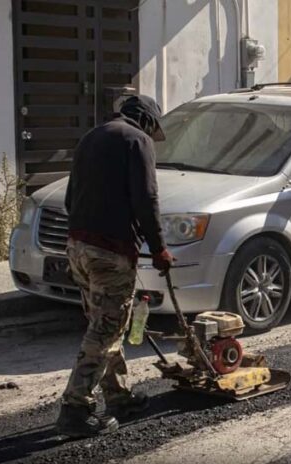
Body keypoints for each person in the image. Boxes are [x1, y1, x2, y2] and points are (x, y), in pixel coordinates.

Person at [56, 95, 175, 438]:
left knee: (106, 324)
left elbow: (69, 197)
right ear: (148, 121)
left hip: (78, 247)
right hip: (109, 253)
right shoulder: (137, 140)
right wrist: (160, 249)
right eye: (155, 130)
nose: (154, 137)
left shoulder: (91, 137)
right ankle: (75, 409)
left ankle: (118, 395)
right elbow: (146, 198)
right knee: (106, 329)